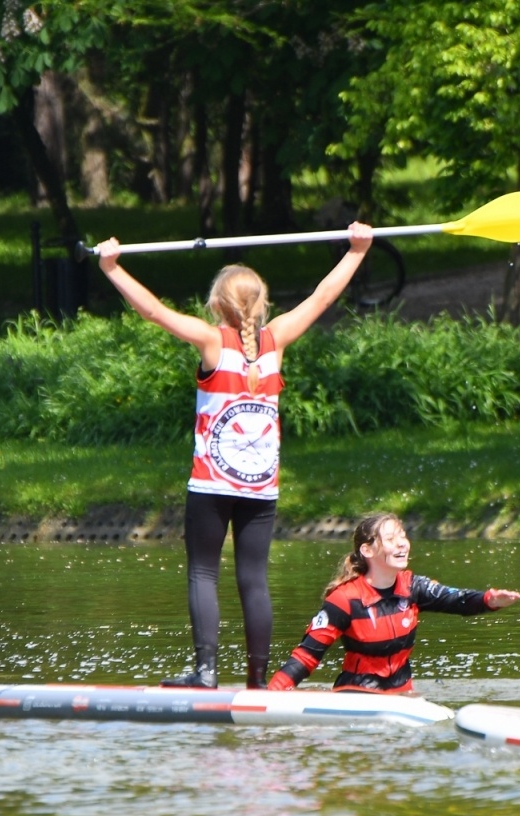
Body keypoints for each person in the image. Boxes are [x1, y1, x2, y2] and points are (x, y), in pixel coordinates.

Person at [93, 223, 374, 689]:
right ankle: (258, 682)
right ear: (260, 304)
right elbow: (323, 298)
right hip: (261, 487)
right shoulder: (277, 340)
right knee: (254, 579)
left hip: (210, 485)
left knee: (203, 572)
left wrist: (112, 267)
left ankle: (205, 673)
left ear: (217, 304)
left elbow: (154, 312)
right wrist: (357, 251)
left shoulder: (210, 342)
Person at [267, 512, 520, 693]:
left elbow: (458, 600)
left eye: (403, 536)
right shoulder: (344, 600)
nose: (402, 544)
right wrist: (268, 696)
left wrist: (491, 599)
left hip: (403, 695)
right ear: (367, 551)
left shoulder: (413, 587)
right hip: (357, 697)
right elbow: (305, 657)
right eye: (391, 539)